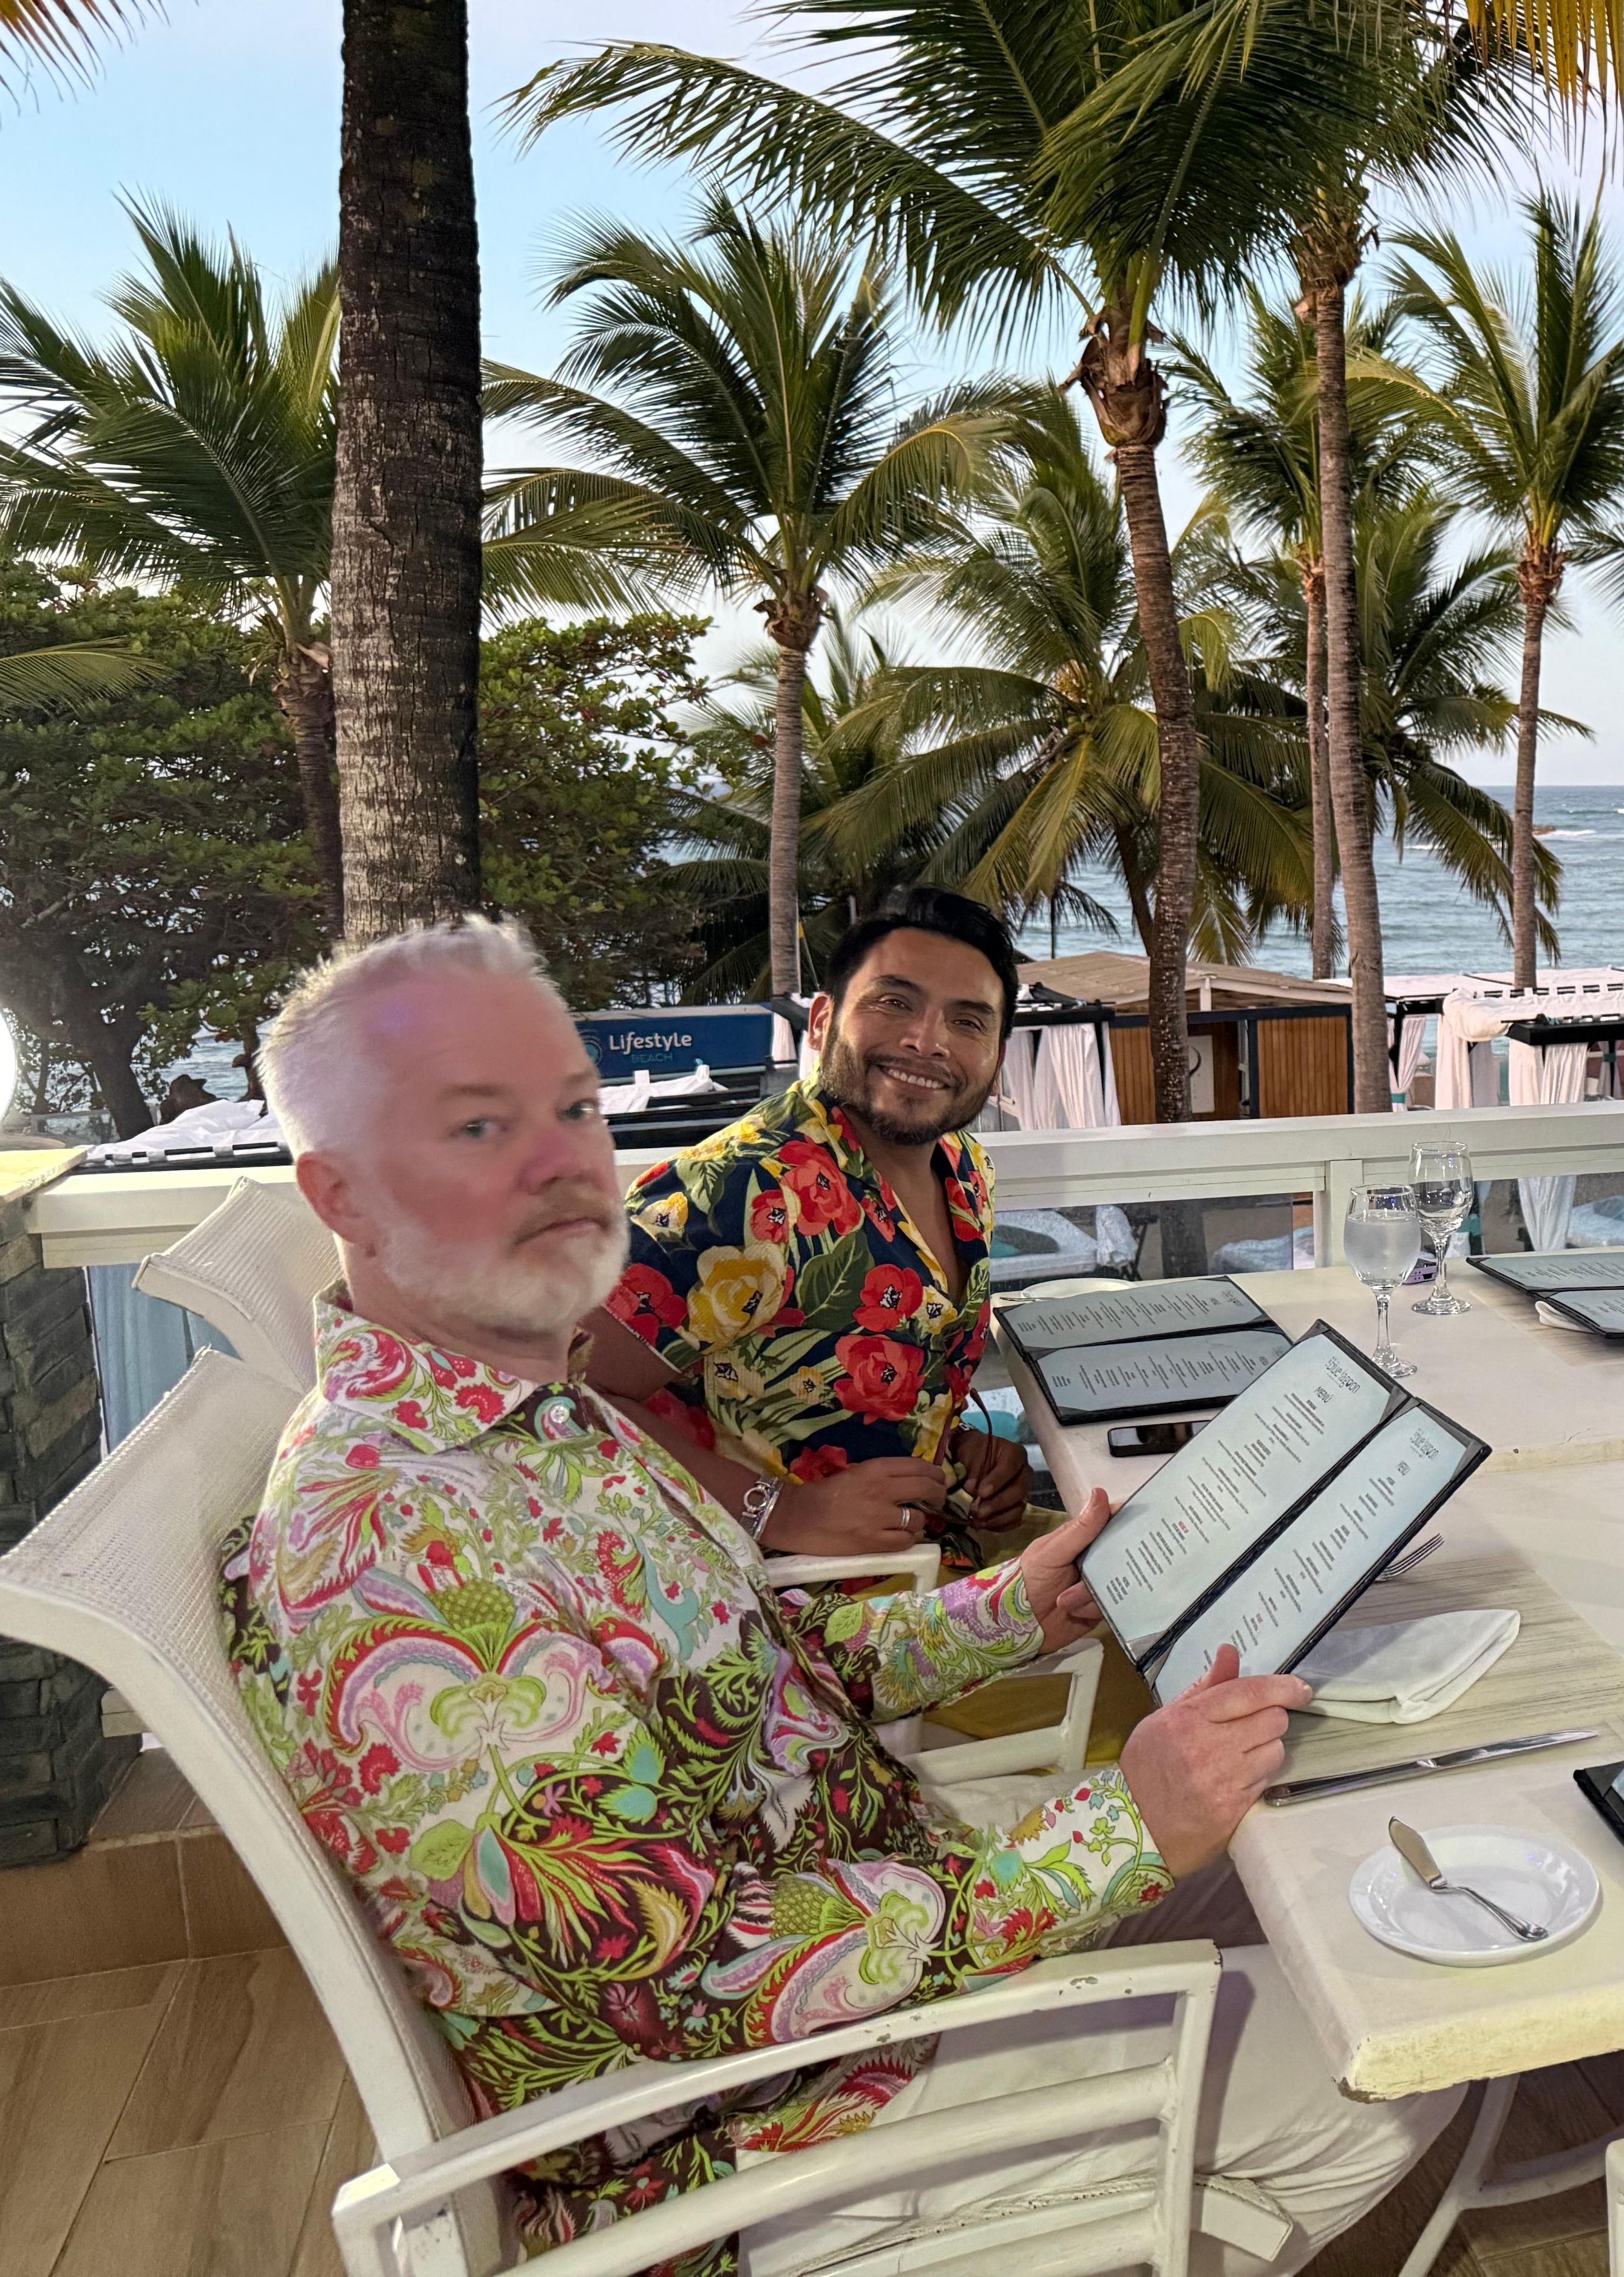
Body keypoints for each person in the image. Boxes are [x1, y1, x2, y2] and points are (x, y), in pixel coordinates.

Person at [222, 919, 1458, 2276]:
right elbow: (686, 1979)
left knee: (1346, 1910)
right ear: (338, 1193)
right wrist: (1115, 1831)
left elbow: (745, 1664)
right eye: (474, 1127)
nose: (563, 1164)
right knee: (1386, 2054)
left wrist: (1014, 1611)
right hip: (767, 2116)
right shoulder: (389, 1547)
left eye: (572, 1107)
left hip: (876, 1891)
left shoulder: (535, 1414)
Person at [585, 886, 1028, 1567]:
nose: (926, 1041)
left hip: (924, 1555)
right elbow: (557, 1390)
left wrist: (960, 1448)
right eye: (894, 1002)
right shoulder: (739, 1189)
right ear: (821, 1023)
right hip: (778, 1613)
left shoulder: (964, 1168)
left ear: (996, 1055)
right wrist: (779, 1509)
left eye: (968, 1023)